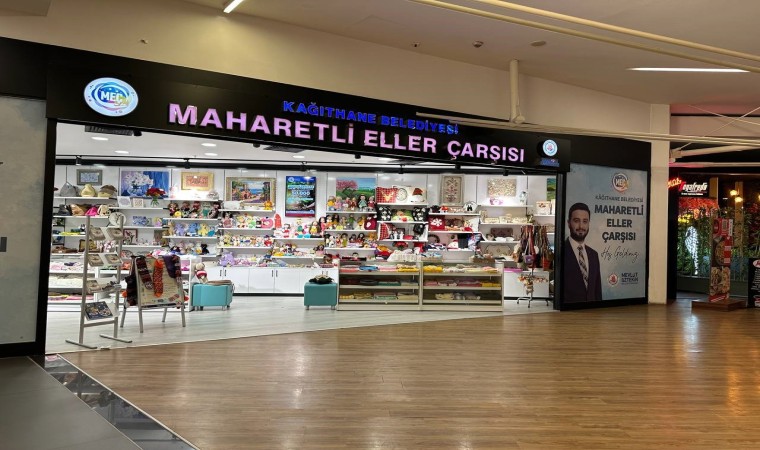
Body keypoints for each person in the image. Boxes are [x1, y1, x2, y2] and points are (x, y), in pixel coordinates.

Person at [563, 202, 602, 301]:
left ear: (589, 224)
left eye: (585, 221)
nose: (581, 226)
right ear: (568, 223)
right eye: (576, 221)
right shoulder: (561, 251)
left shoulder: (594, 255)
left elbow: (597, 291)